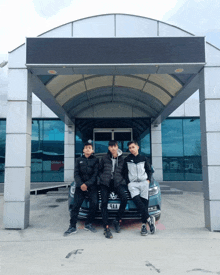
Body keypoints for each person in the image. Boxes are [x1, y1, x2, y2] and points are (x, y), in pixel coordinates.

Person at [63, 142, 99, 236]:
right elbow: (76, 174)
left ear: (92, 150)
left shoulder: (95, 160)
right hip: (80, 187)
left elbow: (95, 174)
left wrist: (87, 184)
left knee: (94, 204)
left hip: (92, 186)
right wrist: (81, 184)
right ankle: (72, 226)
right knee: (76, 206)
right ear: (83, 150)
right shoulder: (78, 160)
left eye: (89, 148)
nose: (88, 149)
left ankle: (88, 224)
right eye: (86, 147)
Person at [123, 141, 156, 236]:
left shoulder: (144, 158)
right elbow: (124, 172)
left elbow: (149, 170)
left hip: (144, 183)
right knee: (137, 200)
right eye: (130, 148)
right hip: (132, 184)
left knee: (144, 203)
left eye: (133, 147)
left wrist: (148, 180)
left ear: (137, 147)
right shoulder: (127, 159)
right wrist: (128, 182)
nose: (131, 149)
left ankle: (143, 225)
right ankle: (149, 219)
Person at [99, 140, 128, 238]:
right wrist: (102, 178)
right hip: (105, 183)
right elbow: (99, 170)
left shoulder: (122, 159)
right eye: (110, 146)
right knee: (104, 202)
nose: (112, 148)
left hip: (116, 183)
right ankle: (106, 227)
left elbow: (124, 172)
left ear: (117, 146)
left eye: (114, 146)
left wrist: (121, 180)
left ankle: (117, 220)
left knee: (124, 198)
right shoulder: (104, 158)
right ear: (108, 148)